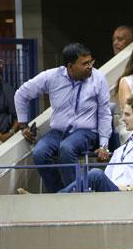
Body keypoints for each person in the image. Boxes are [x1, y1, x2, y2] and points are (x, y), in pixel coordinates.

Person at [14, 43, 111, 193]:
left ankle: (76, 196)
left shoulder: (98, 79)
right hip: (58, 132)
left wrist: (104, 144)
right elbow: (21, 94)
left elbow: (104, 113)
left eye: (91, 62)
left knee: (66, 148)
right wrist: (23, 124)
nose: (90, 66)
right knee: (39, 153)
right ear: (70, 66)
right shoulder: (51, 77)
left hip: (86, 132)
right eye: (85, 63)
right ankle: (58, 195)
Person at [58, 96, 133, 192]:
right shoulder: (120, 150)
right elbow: (107, 177)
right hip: (112, 195)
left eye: (127, 114)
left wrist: (128, 187)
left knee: (96, 174)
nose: (123, 119)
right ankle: (63, 198)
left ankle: (60, 198)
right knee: (93, 178)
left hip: (132, 197)